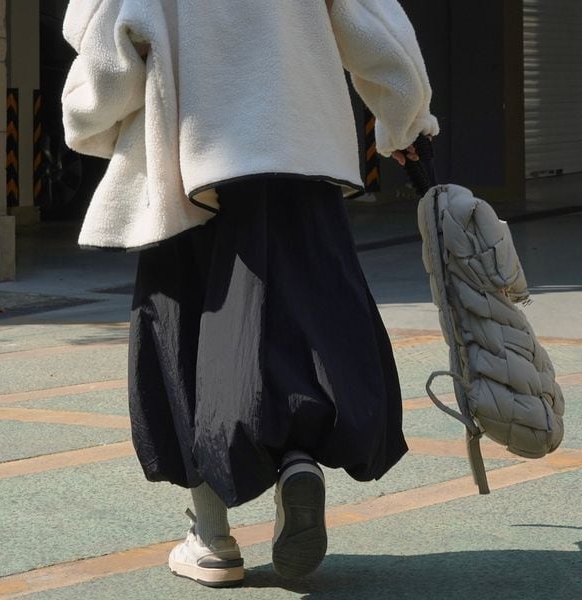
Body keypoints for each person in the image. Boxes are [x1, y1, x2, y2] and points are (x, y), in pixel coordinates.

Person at [62, 0, 439, 588]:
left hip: (188, 165)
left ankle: (212, 539)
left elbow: (115, 47)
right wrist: (405, 118)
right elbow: (372, 24)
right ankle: (296, 463)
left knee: (187, 336)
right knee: (297, 319)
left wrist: (85, 119)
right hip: (302, 153)